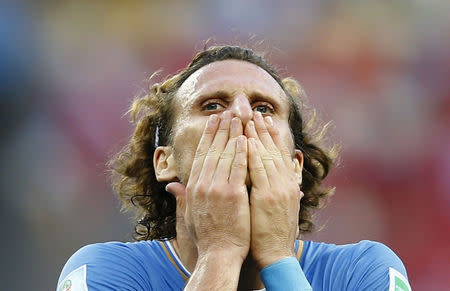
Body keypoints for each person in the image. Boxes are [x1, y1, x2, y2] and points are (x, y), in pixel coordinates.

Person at [57, 45, 412, 291]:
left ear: (295, 165)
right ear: (164, 161)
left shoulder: (363, 271)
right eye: (211, 105)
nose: (242, 115)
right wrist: (220, 254)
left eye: (264, 108)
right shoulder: (106, 272)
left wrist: (278, 258)